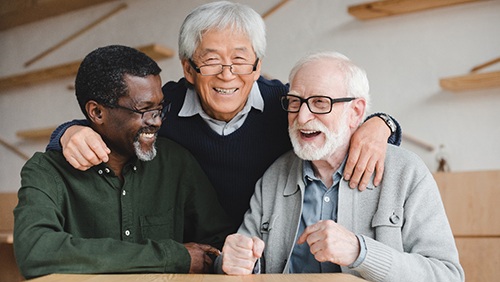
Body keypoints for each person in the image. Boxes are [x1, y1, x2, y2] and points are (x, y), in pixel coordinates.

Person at [46, 1, 402, 231]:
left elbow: (337, 120)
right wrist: (67, 132)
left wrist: (381, 124)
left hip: (267, 254)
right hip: (189, 256)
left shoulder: (286, 104)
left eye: (241, 59)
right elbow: (110, 122)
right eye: (212, 59)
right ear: (188, 68)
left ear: (258, 65)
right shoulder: (162, 105)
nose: (227, 74)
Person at [217, 51, 464, 282]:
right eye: (295, 102)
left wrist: (360, 252)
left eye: (320, 103)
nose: (302, 117)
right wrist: (232, 262)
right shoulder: (273, 177)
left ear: (356, 112)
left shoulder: (406, 172)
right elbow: (236, 266)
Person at [14, 45, 233, 279]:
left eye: (159, 108)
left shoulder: (176, 163)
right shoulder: (46, 172)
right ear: (97, 113)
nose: (157, 122)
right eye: (145, 110)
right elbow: (37, 252)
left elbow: (217, 247)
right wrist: (172, 257)